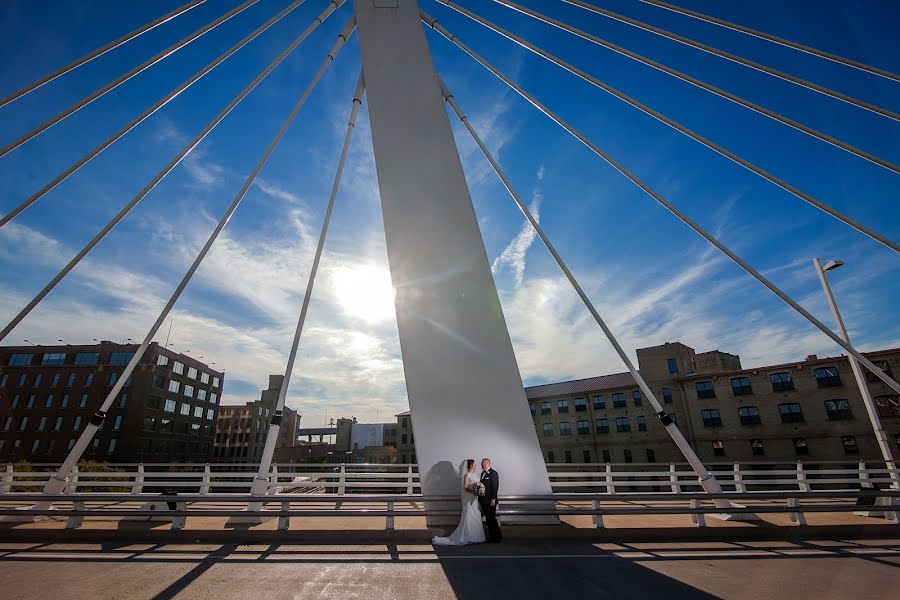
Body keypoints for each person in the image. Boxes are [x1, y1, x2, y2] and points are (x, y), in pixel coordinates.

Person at [432, 459, 486, 546]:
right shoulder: (467, 475)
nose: (476, 466)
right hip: (469, 498)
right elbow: (465, 487)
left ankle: (476, 536)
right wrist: (474, 492)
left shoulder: (476, 475)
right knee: (469, 515)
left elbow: (479, 486)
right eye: (475, 465)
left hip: (475, 499)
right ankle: (468, 536)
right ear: (471, 466)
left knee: (476, 515)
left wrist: (479, 491)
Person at [479, 457, 502, 543]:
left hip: (490, 501)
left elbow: (495, 487)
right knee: (488, 519)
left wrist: (493, 499)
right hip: (484, 501)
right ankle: (493, 536)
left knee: (492, 519)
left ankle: (497, 537)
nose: (481, 465)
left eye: (482, 463)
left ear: (487, 463)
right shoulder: (482, 474)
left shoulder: (493, 473)